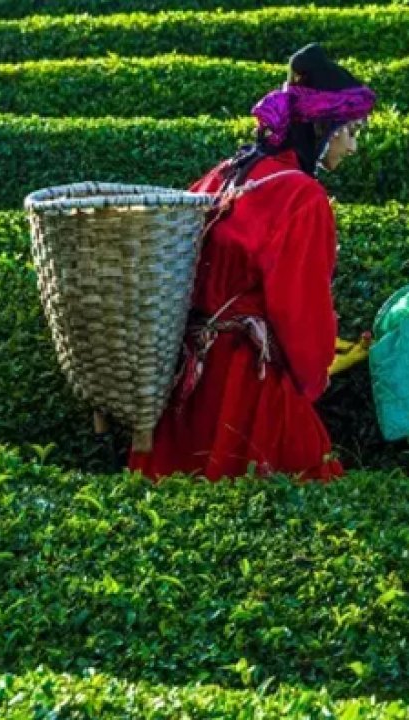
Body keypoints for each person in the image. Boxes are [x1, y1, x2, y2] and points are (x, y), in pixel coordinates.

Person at [128, 43, 376, 482]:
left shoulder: (224, 174)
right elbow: (300, 308)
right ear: (324, 128)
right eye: (351, 131)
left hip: (186, 382)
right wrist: (315, 373)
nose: (353, 146)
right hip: (248, 382)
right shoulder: (302, 196)